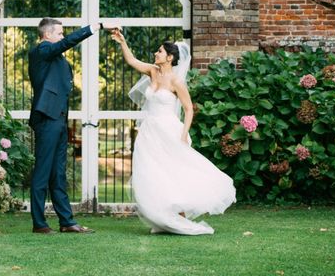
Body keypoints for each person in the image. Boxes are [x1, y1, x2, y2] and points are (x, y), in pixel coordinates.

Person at [111, 29, 236, 235]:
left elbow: (188, 109)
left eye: (159, 52)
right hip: (150, 131)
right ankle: (162, 217)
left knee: (173, 172)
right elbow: (132, 61)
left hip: (169, 130)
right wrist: (122, 41)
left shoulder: (177, 81)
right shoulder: (152, 71)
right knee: (152, 173)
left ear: (169, 57)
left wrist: (183, 134)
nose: (155, 54)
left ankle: (179, 217)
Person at [29, 17, 119, 234]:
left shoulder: (57, 58)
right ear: (47, 35)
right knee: (42, 173)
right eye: (59, 33)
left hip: (59, 120)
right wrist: (96, 26)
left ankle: (67, 222)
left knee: (58, 173)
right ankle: (39, 224)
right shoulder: (41, 50)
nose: (62, 36)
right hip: (47, 118)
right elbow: (66, 43)